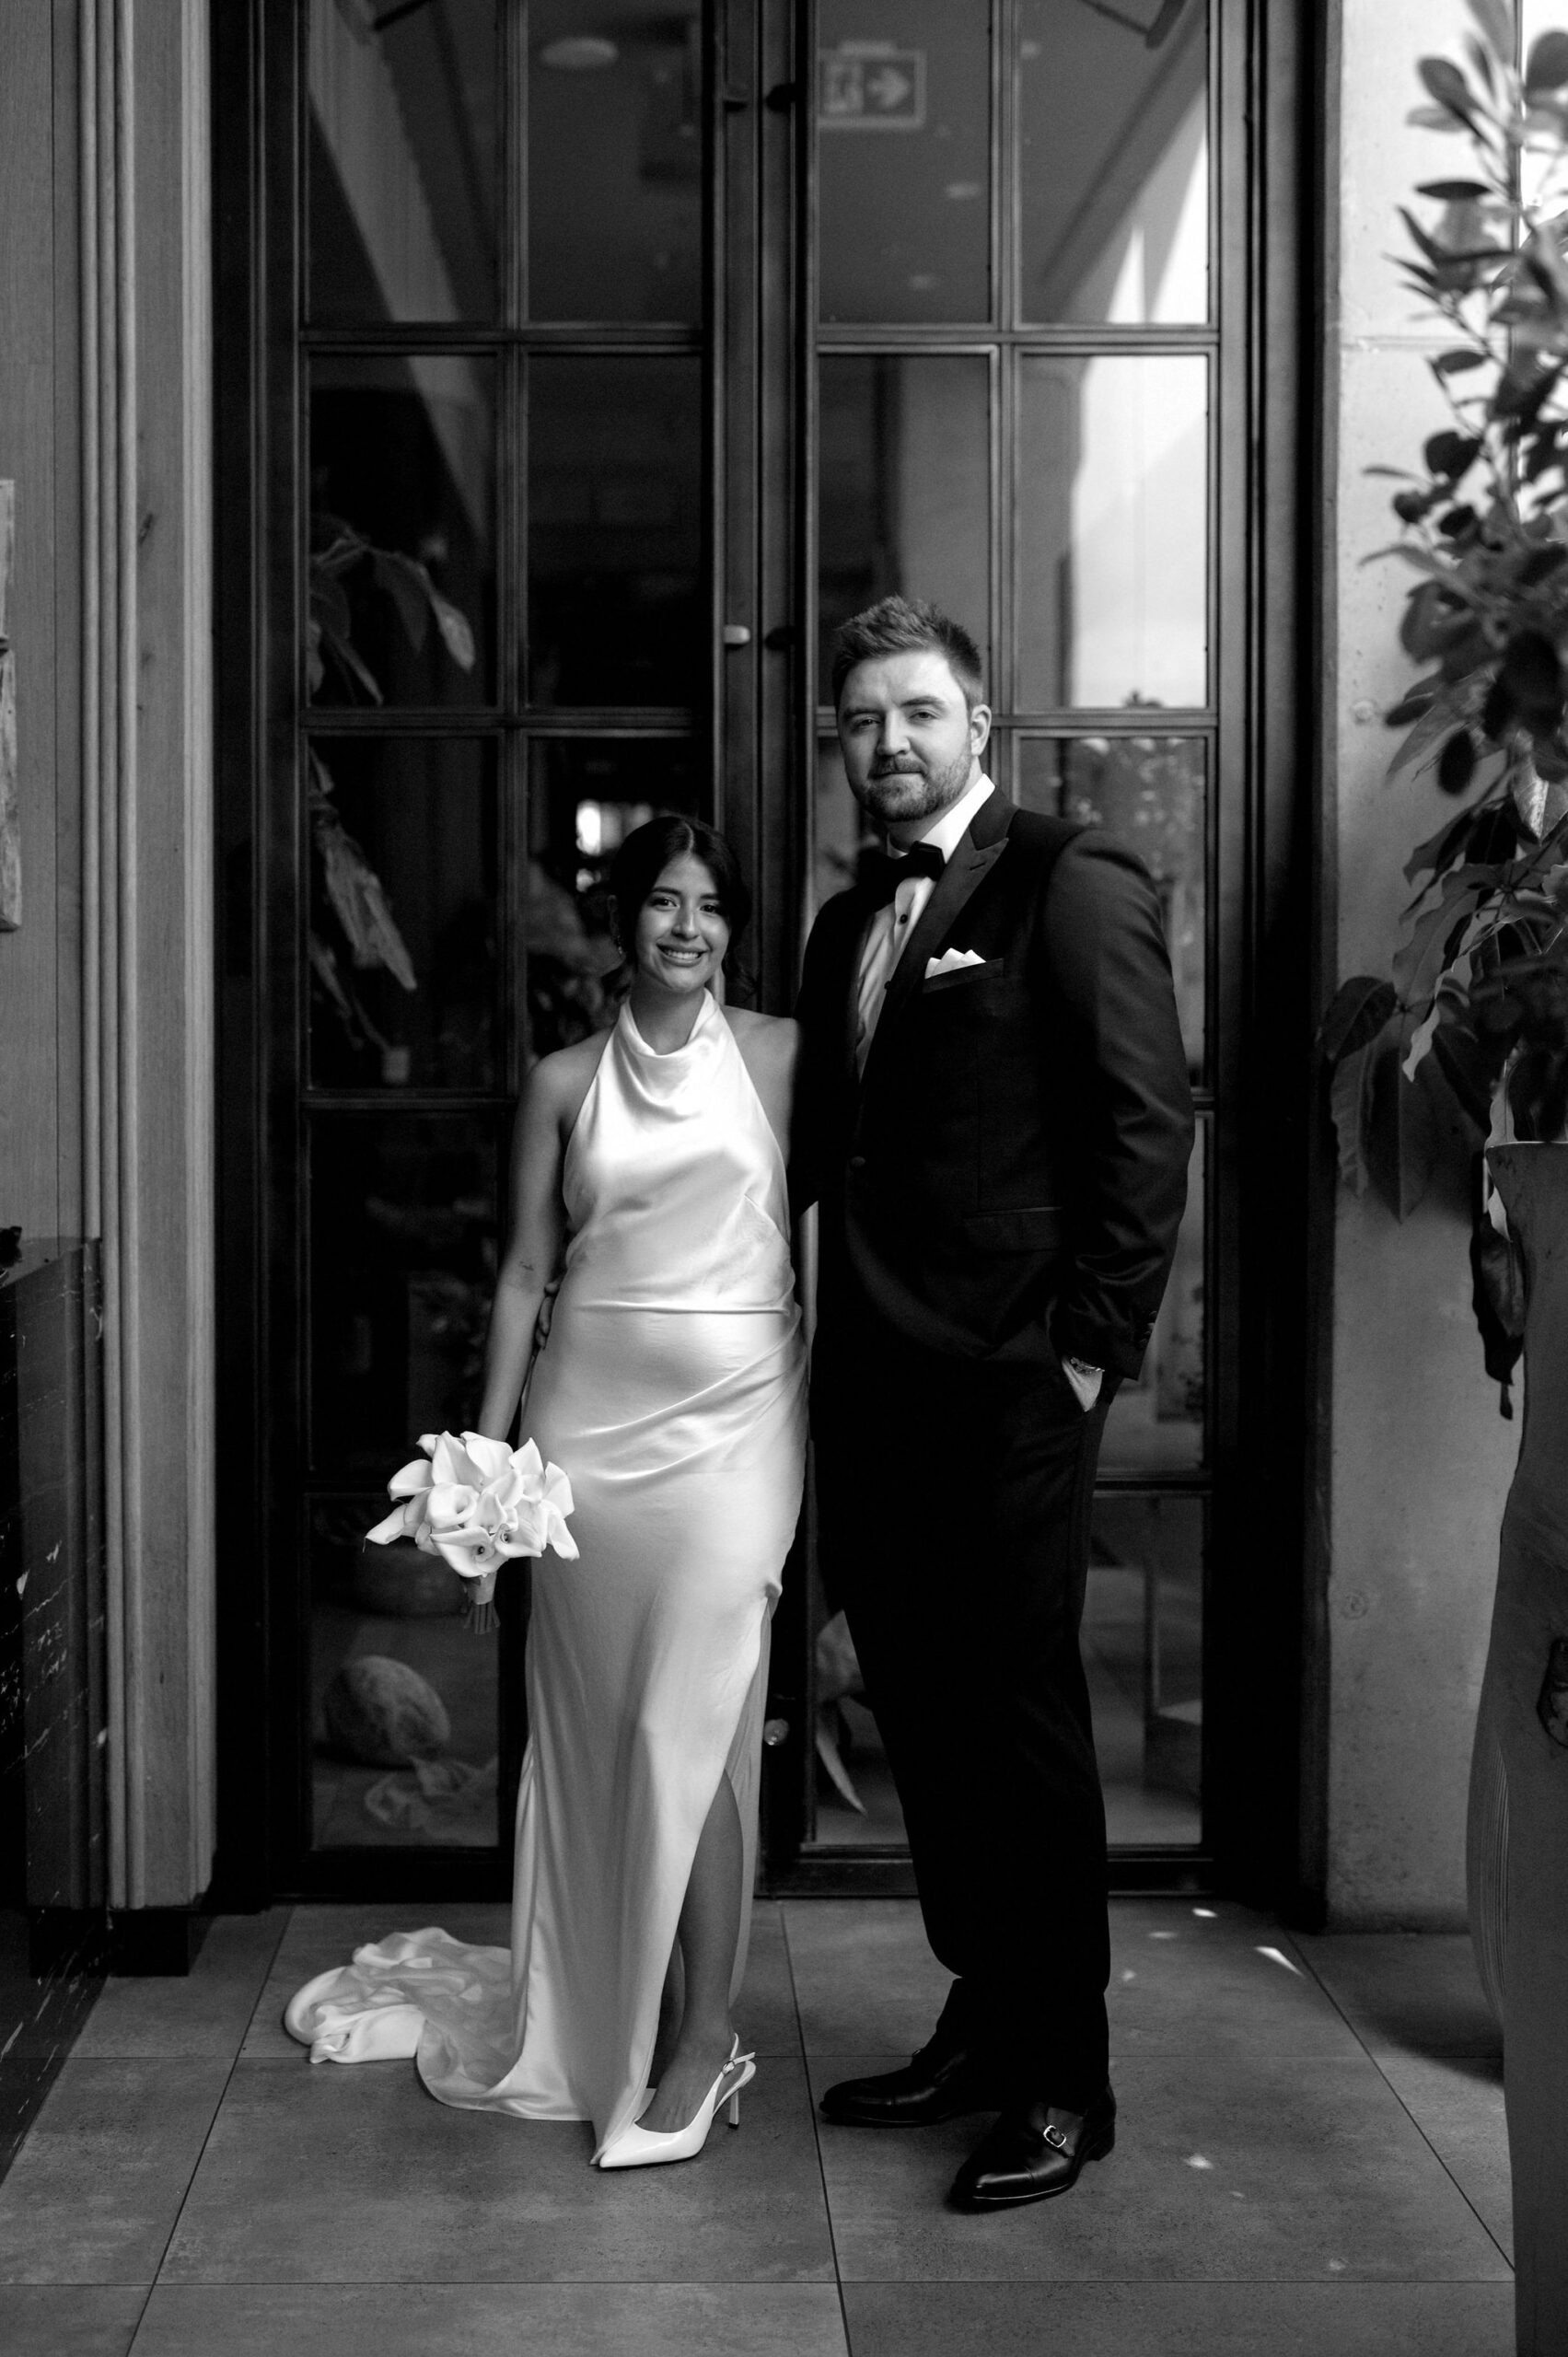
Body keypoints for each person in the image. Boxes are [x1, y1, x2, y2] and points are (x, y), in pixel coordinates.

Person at [285, 817, 807, 2170]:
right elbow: (525, 1269)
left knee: (687, 1721)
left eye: (710, 905)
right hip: (592, 1440)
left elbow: (823, 1238)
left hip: (740, 1427)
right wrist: (489, 1468)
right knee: (612, 1734)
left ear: (732, 928)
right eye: (662, 902)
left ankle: (706, 2030)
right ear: (622, 920)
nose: (687, 927)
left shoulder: (782, 1056)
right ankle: (637, 2009)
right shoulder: (563, 1081)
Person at [795, 596, 1193, 2212]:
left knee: (1018, 1727)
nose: (888, 742)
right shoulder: (844, 925)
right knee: (926, 1713)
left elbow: (1145, 1126)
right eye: (862, 721)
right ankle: (982, 2018)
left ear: (977, 722)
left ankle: (1066, 2077)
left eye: (916, 713)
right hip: (871, 1383)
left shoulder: (1068, 878)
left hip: (1015, 1384)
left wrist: (1086, 1351)